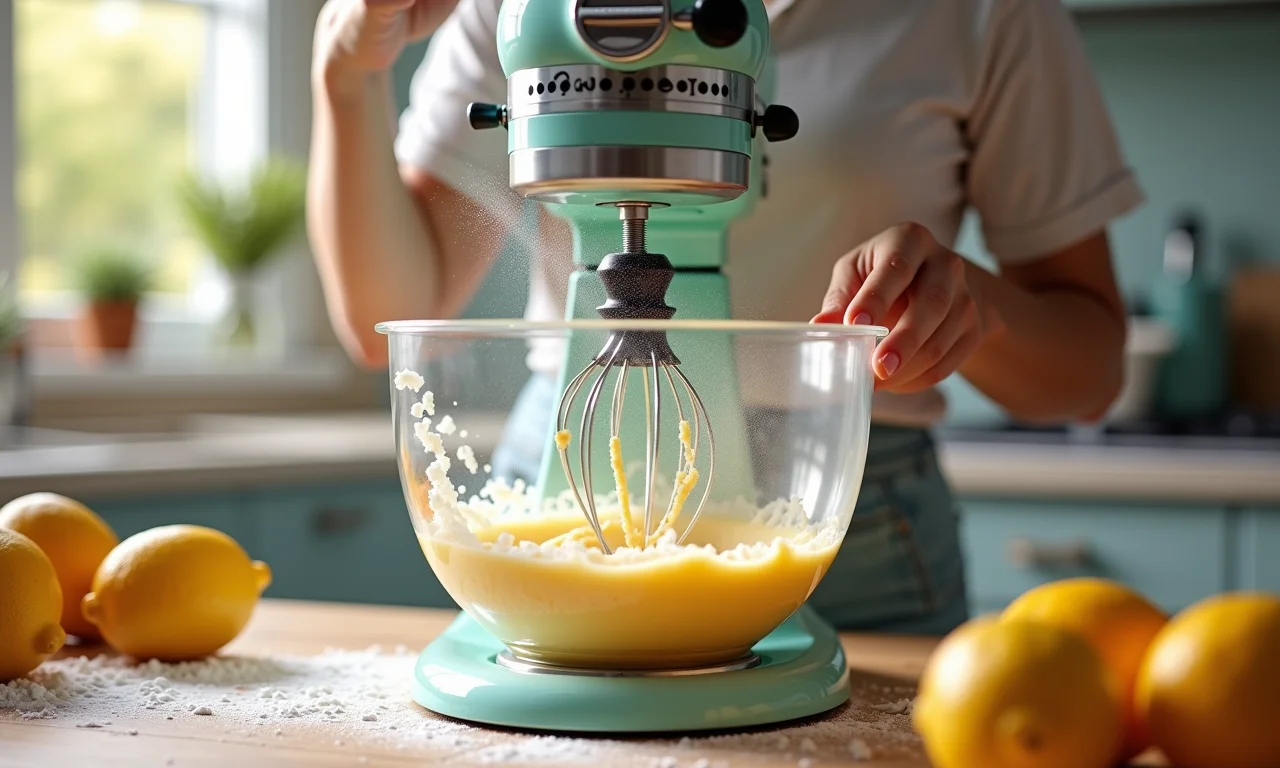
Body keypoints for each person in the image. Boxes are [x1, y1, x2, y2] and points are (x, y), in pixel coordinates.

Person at [308, 0, 1142, 635]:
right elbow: (387, 314)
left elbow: (1090, 374)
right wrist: (346, 73)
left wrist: (968, 305)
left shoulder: (981, 14)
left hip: (850, 519)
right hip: (549, 495)